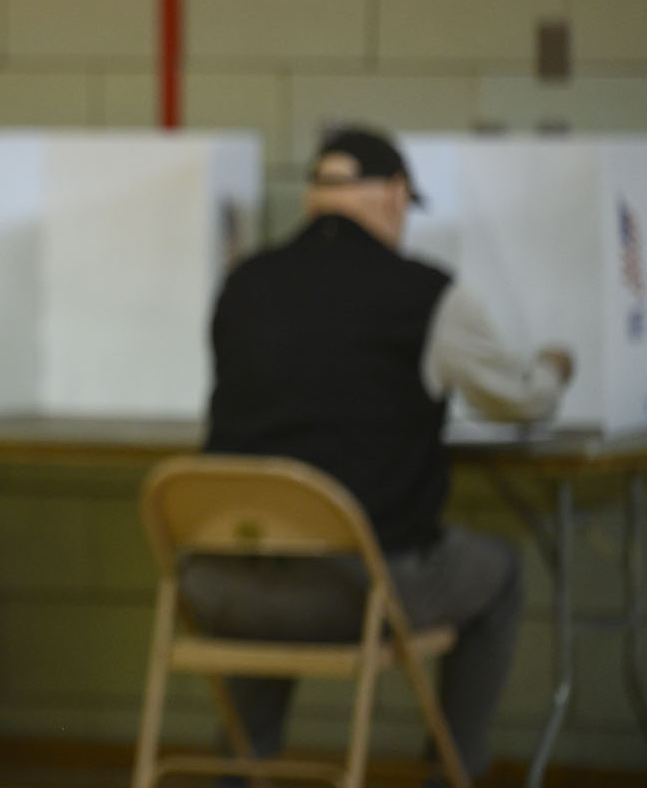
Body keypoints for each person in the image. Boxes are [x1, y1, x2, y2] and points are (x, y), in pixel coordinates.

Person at [185, 126, 573, 782]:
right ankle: (455, 773)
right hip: (355, 593)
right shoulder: (426, 295)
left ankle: (240, 768)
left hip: (218, 587)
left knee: (278, 544)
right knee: (501, 572)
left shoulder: (241, 284)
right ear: (395, 195)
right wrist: (556, 368)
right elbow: (522, 400)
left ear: (315, 198)